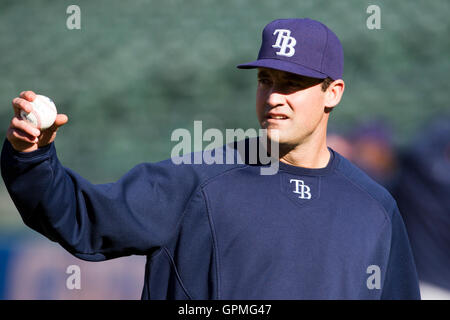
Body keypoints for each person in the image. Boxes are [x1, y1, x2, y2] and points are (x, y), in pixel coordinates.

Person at [1, 18, 420, 299]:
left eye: (292, 84)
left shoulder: (374, 209)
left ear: (334, 92)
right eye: (265, 80)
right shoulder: (193, 181)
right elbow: (82, 218)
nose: (274, 97)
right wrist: (32, 157)